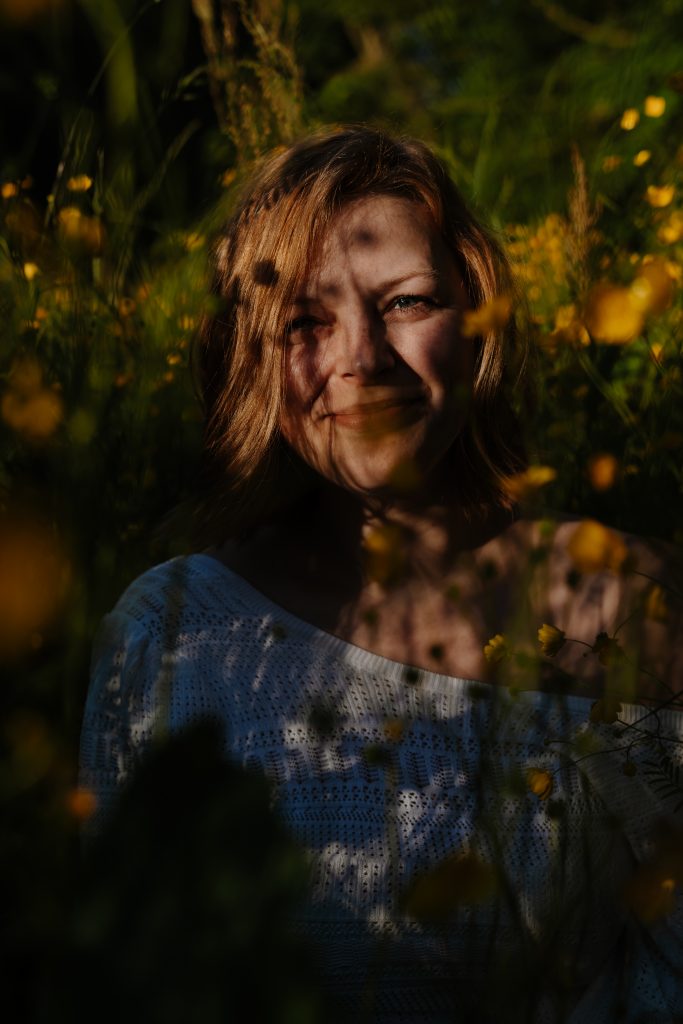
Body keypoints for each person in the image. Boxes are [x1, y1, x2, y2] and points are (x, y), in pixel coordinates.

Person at [80, 126, 683, 1022]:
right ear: (251, 358)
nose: (360, 356)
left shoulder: (624, 602)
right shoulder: (171, 630)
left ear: (479, 319)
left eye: (405, 302)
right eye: (305, 323)